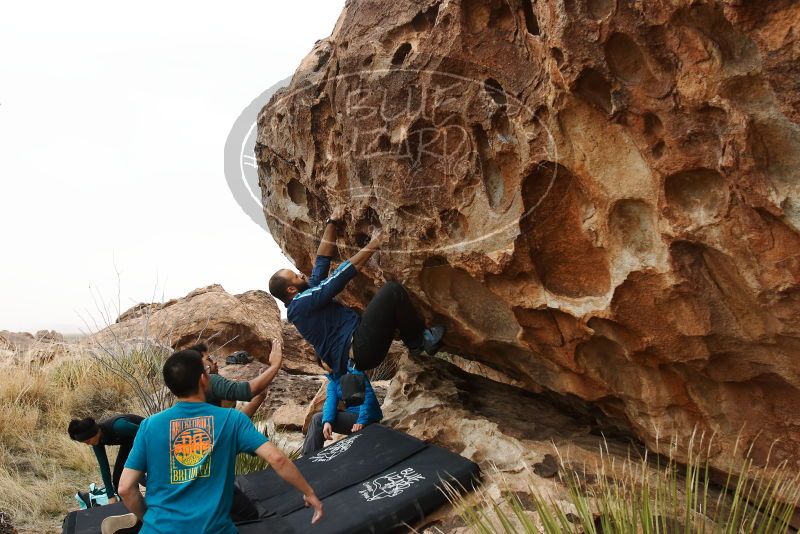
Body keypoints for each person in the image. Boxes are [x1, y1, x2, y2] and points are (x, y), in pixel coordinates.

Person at [107, 347, 323, 534]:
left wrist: (150, 520)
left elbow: (125, 487)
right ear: (203, 379)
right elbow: (277, 459)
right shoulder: (231, 419)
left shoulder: (149, 425)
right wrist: (309, 492)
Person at [268, 206, 445, 377]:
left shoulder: (306, 297)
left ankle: (414, 341)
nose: (301, 275)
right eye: (296, 277)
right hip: (360, 349)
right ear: (291, 290)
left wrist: (333, 221)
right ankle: (420, 342)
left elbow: (322, 260)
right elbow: (337, 279)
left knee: (386, 305)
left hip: (360, 350)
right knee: (392, 291)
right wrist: (375, 242)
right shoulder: (300, 305)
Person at [302, 363, 382, 456]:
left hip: (368, 419)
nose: (326, 364)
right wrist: (327, 421)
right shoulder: (333, 383)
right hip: (352, 419)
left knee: (317, 418)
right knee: (318, 419)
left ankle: (308, 459)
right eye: (322, 362)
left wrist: (362, 421)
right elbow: (330, 403)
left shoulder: (354, 372)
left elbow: (369, 397)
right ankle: (307, 460)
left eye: (326, 360)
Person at [68, 414, 144, 504]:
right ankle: (133, 508)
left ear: (93, 433)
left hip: (148, 438)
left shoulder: (119, 426)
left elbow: (147, 433)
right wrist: (110, 496)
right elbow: (104, 467)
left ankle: (156, 497)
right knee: (118, 479)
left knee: (139, 476)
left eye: (87, 441)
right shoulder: (97, 441)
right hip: (129, 442)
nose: (88, 444)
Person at [187, 340, 282, 409]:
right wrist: (275, 365)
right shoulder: (213, 381)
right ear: (198, 364)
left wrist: (260, 396)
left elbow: (233, 423)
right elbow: (247, 391)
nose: (215, 362)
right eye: (209, 359)